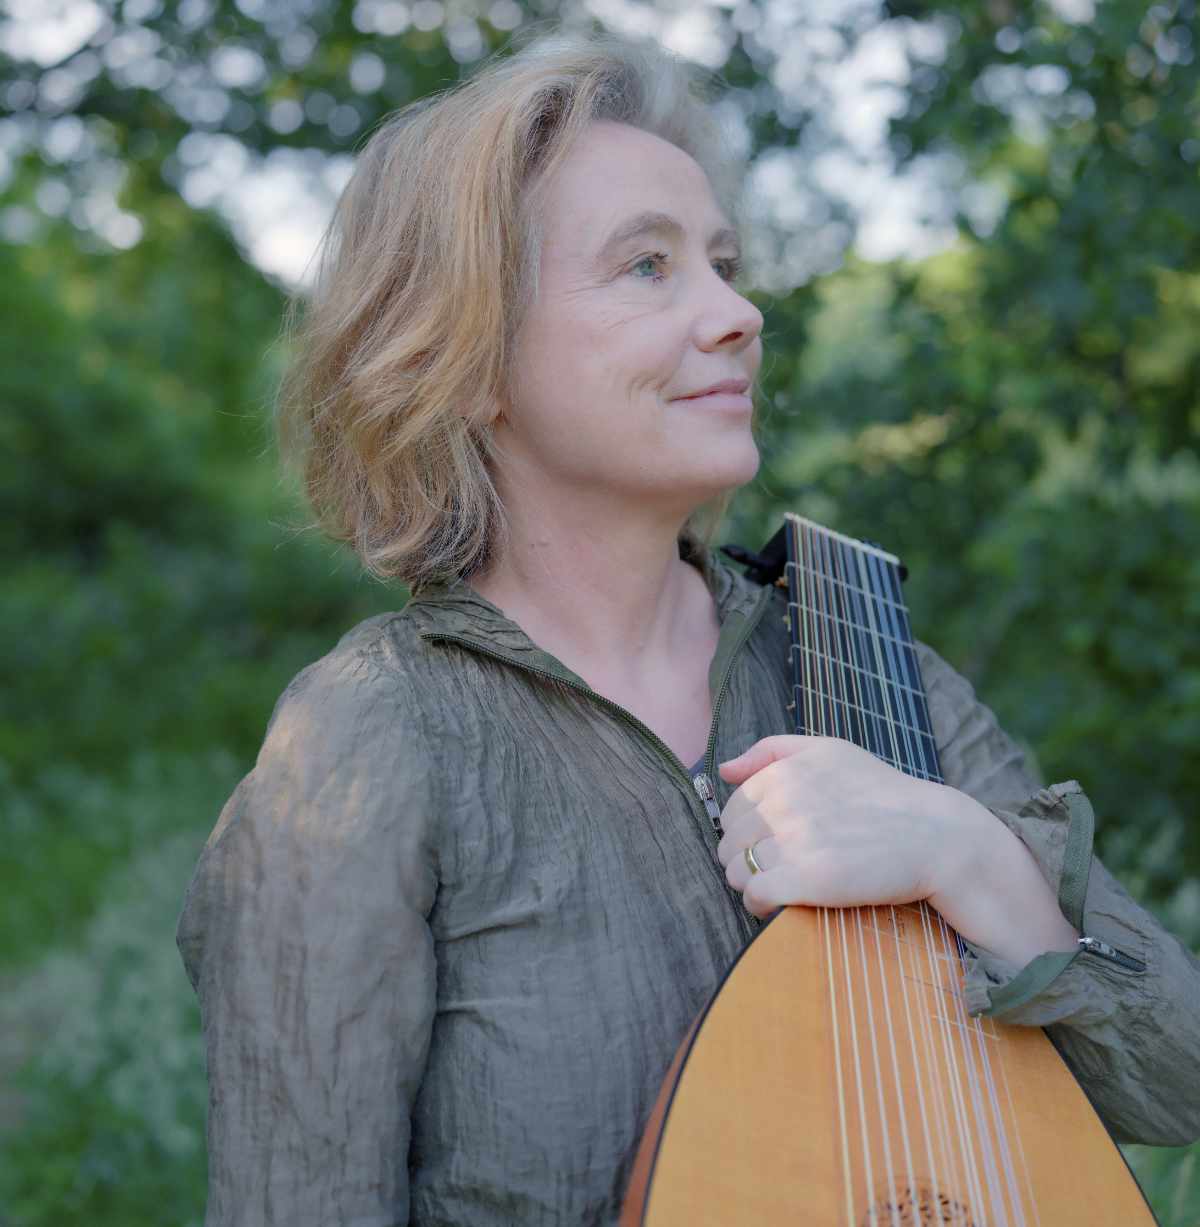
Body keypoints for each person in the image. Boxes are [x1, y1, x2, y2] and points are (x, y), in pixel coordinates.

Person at [175, 24, 1200, 1227]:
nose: (739, 313)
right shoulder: (373, 740)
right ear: (471, 357)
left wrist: (966, 854)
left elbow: (1180, 1080)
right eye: (648, 266)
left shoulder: (867, 666)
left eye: (724, 262)